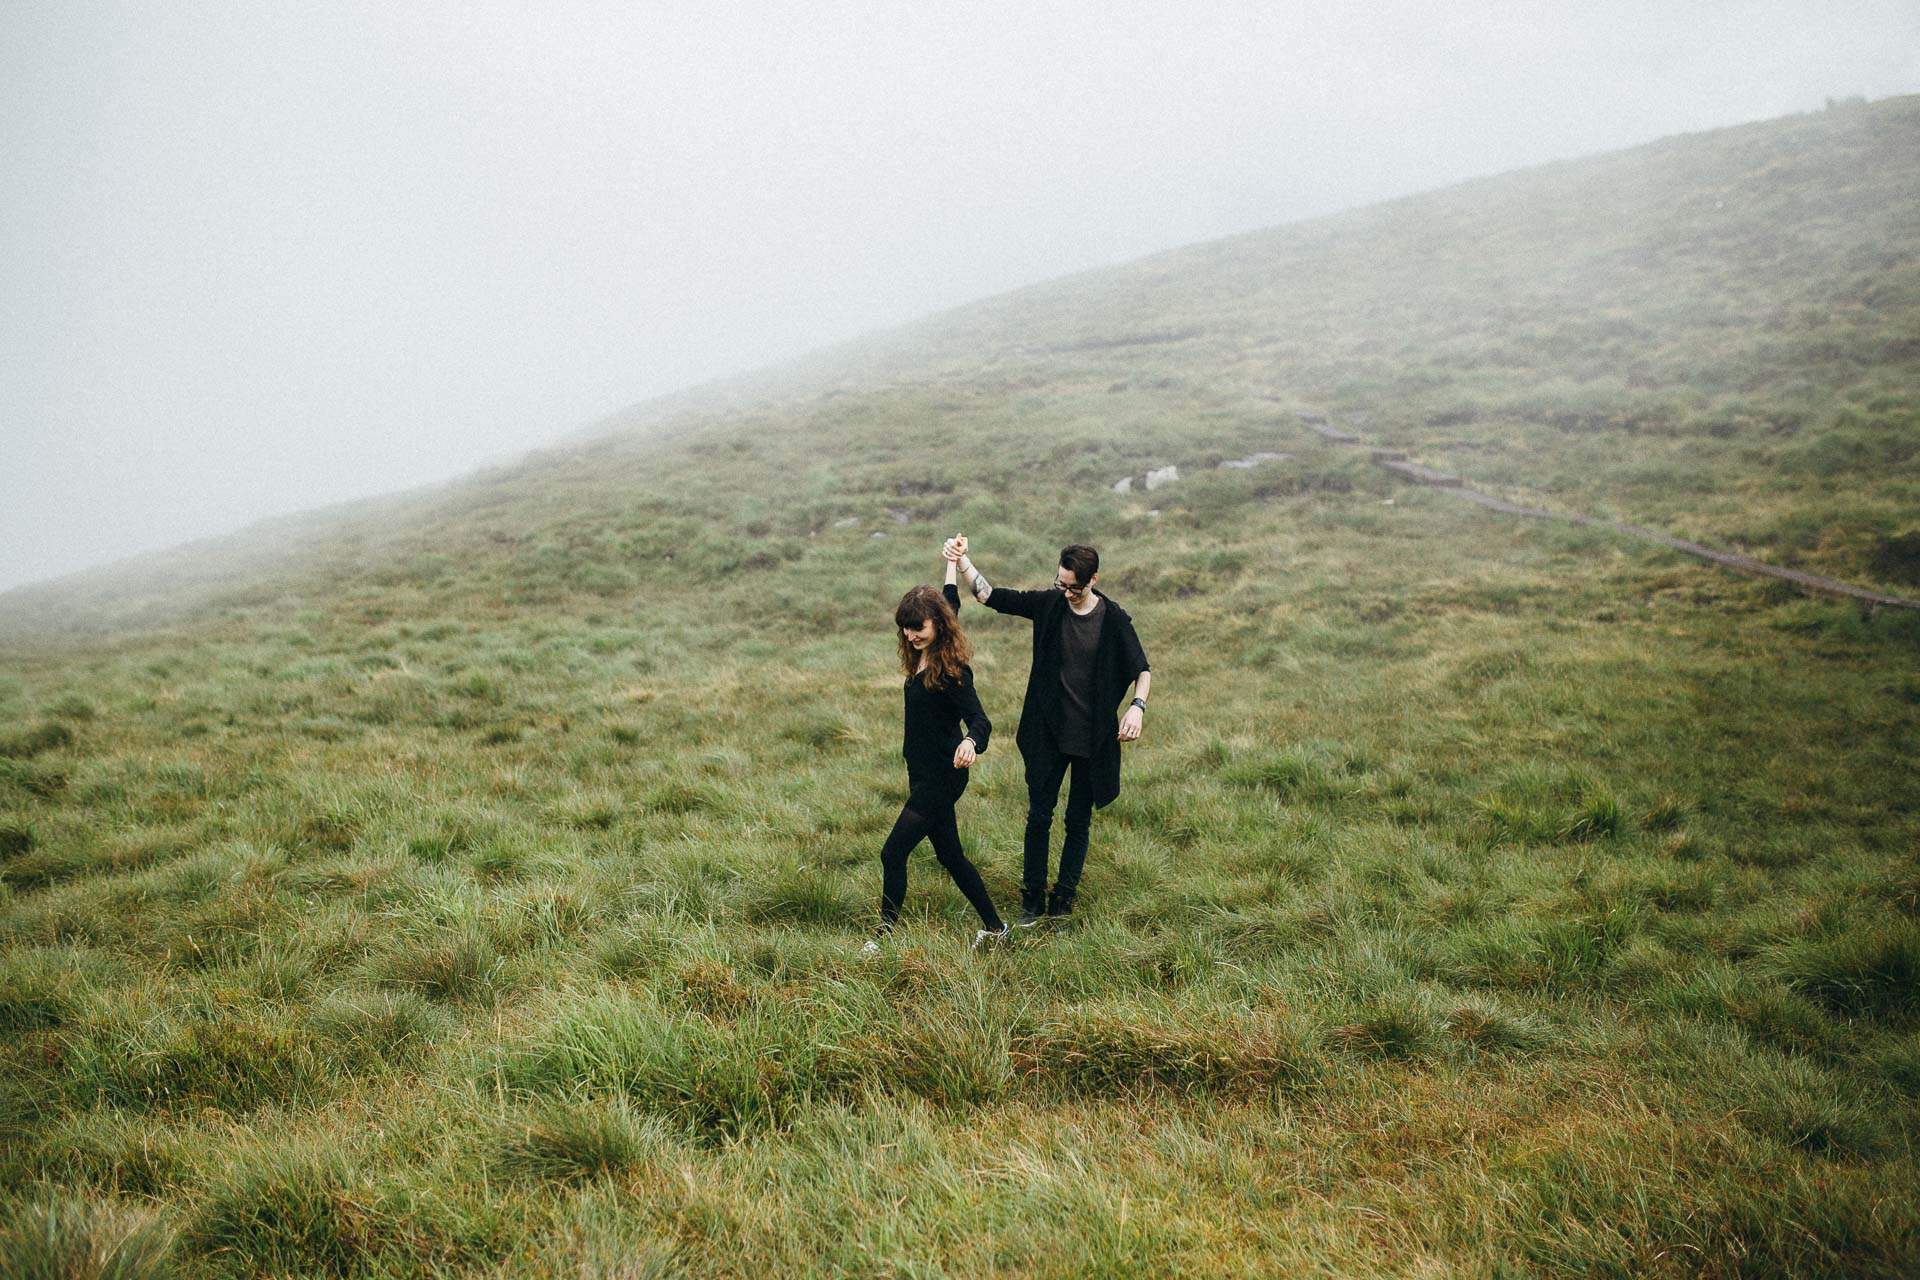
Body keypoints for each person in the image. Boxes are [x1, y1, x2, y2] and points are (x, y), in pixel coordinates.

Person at [944, 536, 1151, 927]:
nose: (1067, 592)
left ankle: (1063, 901)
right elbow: (992, 597)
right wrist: (964, 561)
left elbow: (1142, 669)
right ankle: (1032, 901)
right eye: (1062, 583)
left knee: (1078, 821)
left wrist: (1136, 709)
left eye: (1074, 586)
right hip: (1048, 734)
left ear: (1093, 579)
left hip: (1092, 738)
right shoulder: (1051, 604)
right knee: (1039, 816)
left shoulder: (1114, 619)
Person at [863, 546, 1008, 953]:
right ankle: (996, 929)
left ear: (938, 626)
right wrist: (951, 560)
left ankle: (883, 939)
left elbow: (981, 721)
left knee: (891, 854)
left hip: (943, 776)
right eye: (905, 628)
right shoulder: (927, 651)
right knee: (951, 857)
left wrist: (969, 742)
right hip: (923, 773)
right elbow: (951, 599)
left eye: (918, 627)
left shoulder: (953, 671)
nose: (911, 635)